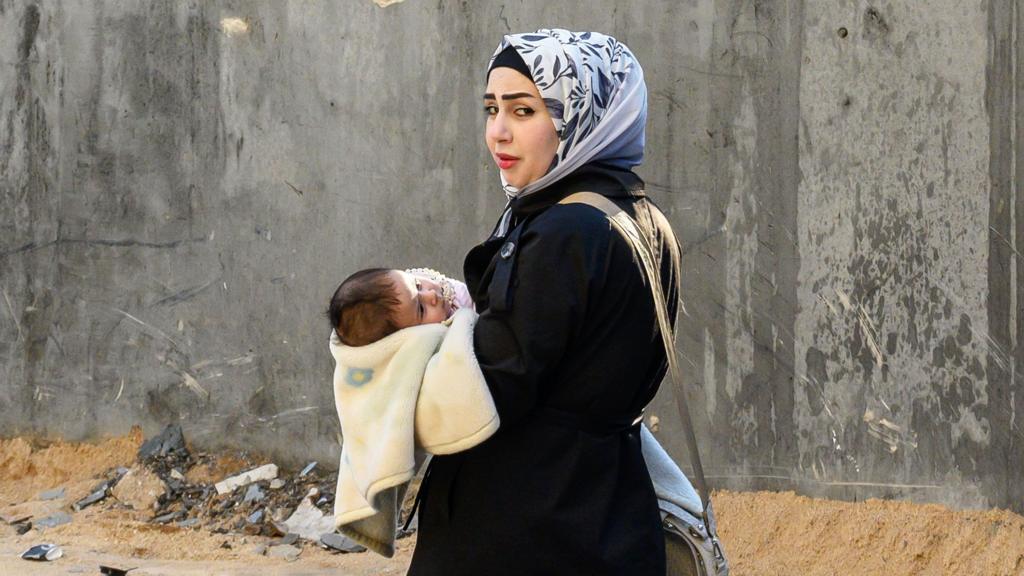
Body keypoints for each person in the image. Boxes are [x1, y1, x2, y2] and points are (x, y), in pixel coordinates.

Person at [407, 29, 679, 575]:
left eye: (524, 110)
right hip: (607, 512)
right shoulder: (643, 218)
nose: (498, 132)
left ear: (582, 115)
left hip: (526, 524)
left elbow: (493, 386)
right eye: (491, 109)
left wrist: (399, 356)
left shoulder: (566, 230)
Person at [327, 267, 473, 347]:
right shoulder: (443, 342)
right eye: (421, 310)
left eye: (418, 285)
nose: (431, 295)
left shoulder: (416, 287)